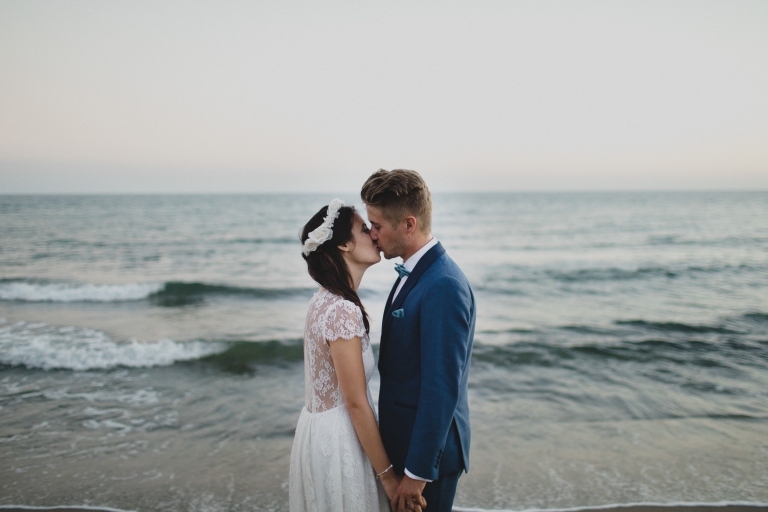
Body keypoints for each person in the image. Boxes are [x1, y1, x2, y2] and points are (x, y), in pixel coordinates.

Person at [289, 199, 427, 512]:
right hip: (340, 442)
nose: (374, 235)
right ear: (345, 246)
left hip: (315, 432)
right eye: (365, 229)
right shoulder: (341, 310)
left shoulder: (321, 301)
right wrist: (389, 478)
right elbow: (354, 401)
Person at [361, 169, 476, 512]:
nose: (372, 233)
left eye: (377, 225)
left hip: (427, 460)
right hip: (406, 444)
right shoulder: (416, 272)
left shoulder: (443, 285)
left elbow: (441, 386)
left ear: (408, 225)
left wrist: (417, 472)